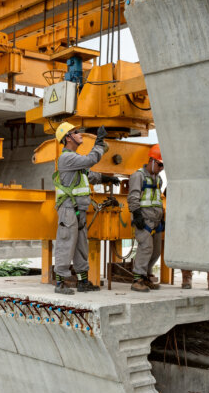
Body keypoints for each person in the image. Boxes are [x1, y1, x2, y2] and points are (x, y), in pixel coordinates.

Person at [52, 123, 119, 295]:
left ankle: (83, 282)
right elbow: (91, 160)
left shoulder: (74, 159)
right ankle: (60, 283)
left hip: (78, 209)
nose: (80, 134)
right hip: (68, 209)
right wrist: (99, 142)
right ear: (68, 138)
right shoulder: (67, 158)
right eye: (76, 132)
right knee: (66, 243)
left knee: (81, 245)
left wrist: (106, 179)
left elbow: (88, 174)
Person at [128, 144, 165, 292]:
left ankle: (146, 277)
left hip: (156, 220)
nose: (161, 168)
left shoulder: (158, 179)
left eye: (163, 166)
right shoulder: (138, 176)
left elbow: (158, 198)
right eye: (160, 165)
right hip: (144, 220)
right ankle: (137, 280)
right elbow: (133, 197)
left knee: (156, 250)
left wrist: (162, 218)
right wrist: (137, 215)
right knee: (146, 248)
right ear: (152, 161)